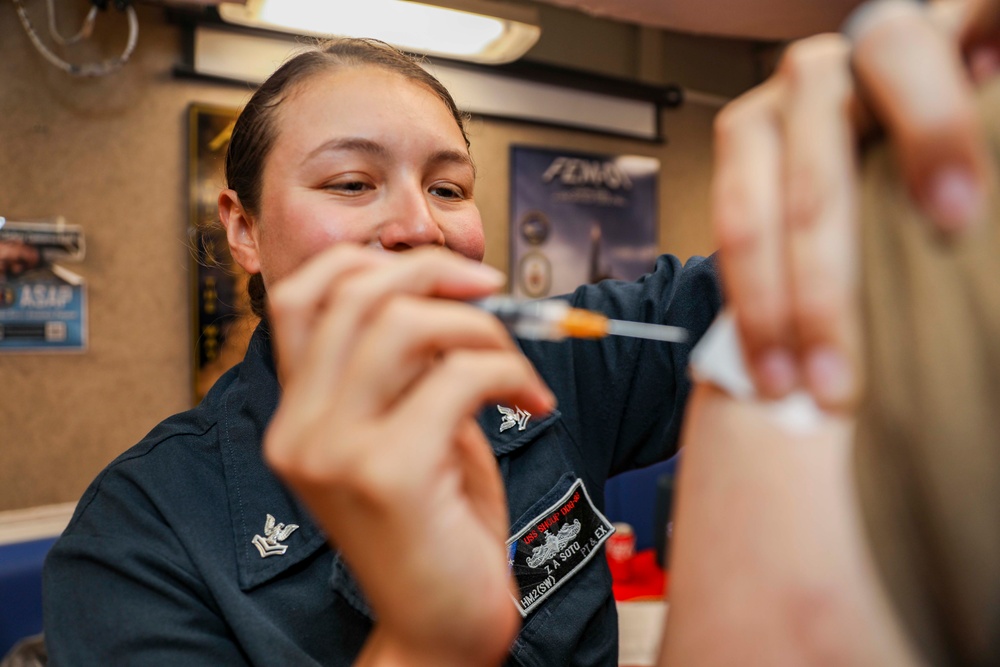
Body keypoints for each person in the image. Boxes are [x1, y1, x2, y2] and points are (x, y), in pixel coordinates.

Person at [42, 37, 721, 667]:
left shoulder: (549, 368)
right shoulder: (137, 536)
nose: (420, 226)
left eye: (447, 189)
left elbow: (749, 297)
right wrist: (427, 638)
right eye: (351, 183)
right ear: (244, 228)